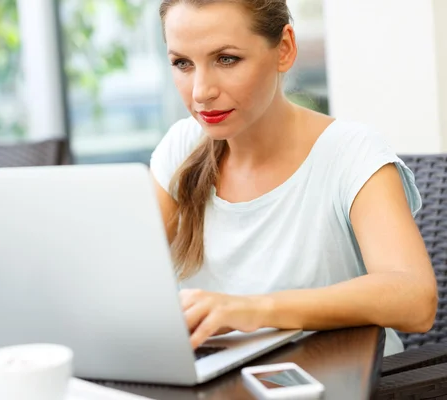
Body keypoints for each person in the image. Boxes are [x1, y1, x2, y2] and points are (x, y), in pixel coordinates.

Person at [150, 0, 437, 356]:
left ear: (284, 49)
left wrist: (253, 310)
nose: (200, 92)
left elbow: (414, 299)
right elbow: (126, 275)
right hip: (223, 383)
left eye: (226, 59)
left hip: (347, 382)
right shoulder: (181, 147)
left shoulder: (351, 152)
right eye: (182, 63)